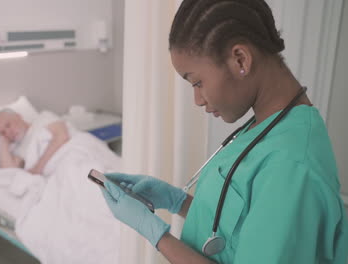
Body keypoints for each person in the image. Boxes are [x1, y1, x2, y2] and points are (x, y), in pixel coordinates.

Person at [101, 0, 348, 263]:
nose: (197, 99)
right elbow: (240, 229)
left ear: (240, 59)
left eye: (197, 82)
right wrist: (176, 201)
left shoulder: (294, 166)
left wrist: (157, 235)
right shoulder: (265, 125)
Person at [0, 109, 70, 175]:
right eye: (3, 132)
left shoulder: (43, 118)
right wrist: (3, 142)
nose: (9, 132)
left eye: (8, 125)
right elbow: (8, 173)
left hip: (69, 156)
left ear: (18, 116)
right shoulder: (18, 151)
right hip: (57, 173)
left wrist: (37, 168)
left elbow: (62, 137)